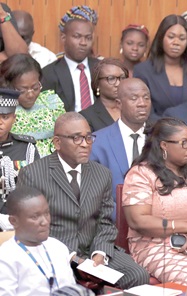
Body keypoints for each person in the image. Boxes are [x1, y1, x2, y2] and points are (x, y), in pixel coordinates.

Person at [17, 112, 149, 289]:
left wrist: (100, 253)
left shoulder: (101, 174)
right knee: (68, 285)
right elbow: (31, 226)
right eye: (77, 139)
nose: (85, 145)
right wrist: (70, 257)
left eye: (88, 137)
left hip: (93, 251)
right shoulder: (33, 174)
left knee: (138, 276)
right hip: (55, 253)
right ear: (57, 142)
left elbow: (106, 222)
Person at [122, 117, 187, 285]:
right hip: (156, 246)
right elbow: (138, 220)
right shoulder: (141, 173)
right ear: (164, 145)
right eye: (184, 143)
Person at [90, 78, 151, 220]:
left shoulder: (161, 139)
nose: (142, 104)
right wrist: (124, 219)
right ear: (119, 104)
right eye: (134, 98)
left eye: (146, 98)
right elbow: (93, 194)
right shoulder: (98, 142)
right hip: (112, 224)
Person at [0, 186, 77, 295]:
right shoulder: (6, 257)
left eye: (47, 213)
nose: (45, 221)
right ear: (14, 221)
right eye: (35, 217)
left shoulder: (58, 247)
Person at [0, 53, 65, 157]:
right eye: (22, 90)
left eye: (35, 87)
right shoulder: (4, 107)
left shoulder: (50, 102)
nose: (30, 94)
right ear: (8, 86)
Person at [134, 14, 187, 119]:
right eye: (171, 37)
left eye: (182, 38)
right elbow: (146, 113)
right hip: (158, 131)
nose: (176, 42)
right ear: (161, 37)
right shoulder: (143, 71)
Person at [41, 5, 99, 112]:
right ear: (63, 37)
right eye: (77, 36)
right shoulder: (49, 73)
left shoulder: (101, 69)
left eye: (88, 38)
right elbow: (49, 112)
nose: (83, 43)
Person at [0, 88, 39, 229]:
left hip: (21, 222)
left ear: (14, 119)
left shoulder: (27, 148)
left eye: (5, 117)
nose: (0, 122)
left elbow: (36, 188)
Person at [80, 58, 129, 132]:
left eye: (122, 78)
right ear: (97, 84)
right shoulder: (86, 117)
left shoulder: (133, 110)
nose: (118, 83)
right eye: (111, 79)